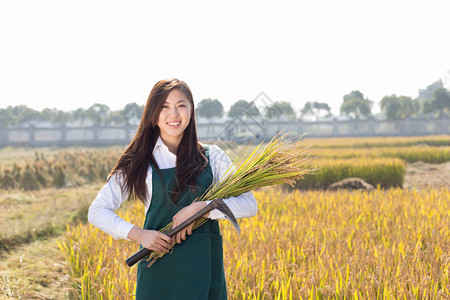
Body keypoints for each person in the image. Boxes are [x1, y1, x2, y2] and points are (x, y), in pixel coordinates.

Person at [88, 78, 257, 299]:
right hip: (159, 274)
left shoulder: (212, 156)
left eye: (181, 105)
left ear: (191, 110)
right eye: (164, 106)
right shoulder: (139, 161)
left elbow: (249, 204)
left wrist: (203, 208)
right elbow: (97, 210)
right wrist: (139, 235)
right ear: (153, 112)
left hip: (204, 271)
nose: (174, 114)